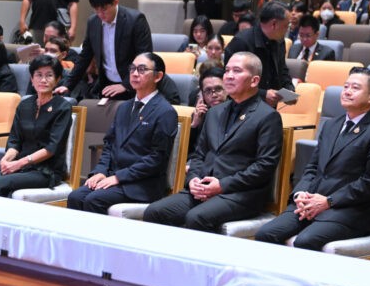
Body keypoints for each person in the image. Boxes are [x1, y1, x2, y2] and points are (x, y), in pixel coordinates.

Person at [256, 67, 370, 250]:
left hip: (350, 210)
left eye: (355, 88)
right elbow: (312, 168)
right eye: (346, 86)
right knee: (266, 233)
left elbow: (369, 183)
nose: (347, 91)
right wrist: (301, 193)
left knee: (305, 241)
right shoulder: (331, 125)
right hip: (312, 203)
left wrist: (328, 201)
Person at [144, 52, 283, 232]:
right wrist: (193, 179)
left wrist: (222, 186)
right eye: (227, 70)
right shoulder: (215, 112)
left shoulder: (268, 116)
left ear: (254, 80)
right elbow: (199, 154)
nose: (229, 76)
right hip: (203, 187)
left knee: (196, 217)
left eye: (237, 71)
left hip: (239, 194)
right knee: (154, 212)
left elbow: (264, 166)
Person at [68, 53, 178, 214]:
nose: (135, 73)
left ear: (158, 76)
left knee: (94, 199)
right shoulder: (124, 107)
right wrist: (100, 171)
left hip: (142, 184)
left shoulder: (165, 111)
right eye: (132, 69)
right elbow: (109, 145)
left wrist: (119, 177)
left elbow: (156, 159)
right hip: (114, 177)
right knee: (76, 196)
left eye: (142, 69)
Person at [0, 55, 72, 196]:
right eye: (39, 75)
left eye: (49, 75)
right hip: (22, 167)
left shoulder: (62, 107)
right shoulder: (25, 105)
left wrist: (19, 163)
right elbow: (15, 141)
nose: (43, 80)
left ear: (57, 79)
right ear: (32, 79)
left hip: (46, 170)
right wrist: (6, 159)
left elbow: (52, 148)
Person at [56, 0, 153, 101]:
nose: (100, 14)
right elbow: (85, 57)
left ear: (115, 2)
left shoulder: (135, 20)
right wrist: (67, 85)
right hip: (107, 86)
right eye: (96, 9)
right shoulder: (93, 22)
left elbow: (144, 57)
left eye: (104, 9)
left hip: (134, 87)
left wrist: (125, 85)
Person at [224, 1, 291, 106]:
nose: (287, 30)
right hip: (242, 105)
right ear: (274, 24)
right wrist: (263, 94)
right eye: (286, 26)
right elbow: (231, 81)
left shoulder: (279, 41)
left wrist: (289, 90)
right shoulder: (241, 42)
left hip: (269, 106)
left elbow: (282, 69)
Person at [190, 67, 227, 153]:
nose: (214, 95)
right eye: (208, 90)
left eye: (218, 89)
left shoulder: (238, 112)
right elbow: (189, 150)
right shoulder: (200, 114)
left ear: (227, 89)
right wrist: (194, 125)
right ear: (202, 94)